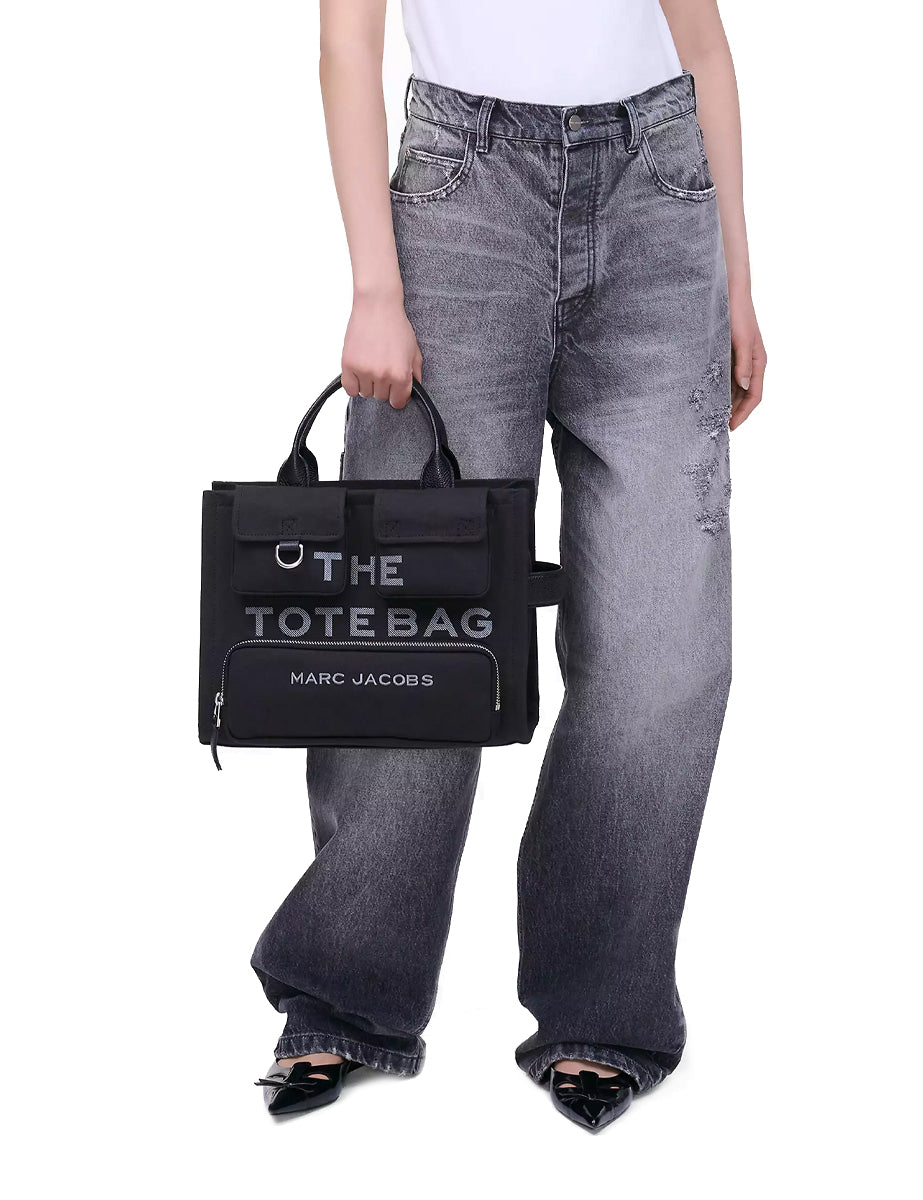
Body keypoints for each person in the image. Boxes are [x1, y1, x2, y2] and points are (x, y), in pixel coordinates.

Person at [251, 0, 766, 1132]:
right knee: (415, 634)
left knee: (662, 646)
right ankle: (344, 996)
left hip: (660, 199)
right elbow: (347, 42)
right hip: (460, 202)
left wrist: (736, 277)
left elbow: (704, 45)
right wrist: (374, 287)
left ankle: (601, 1012)